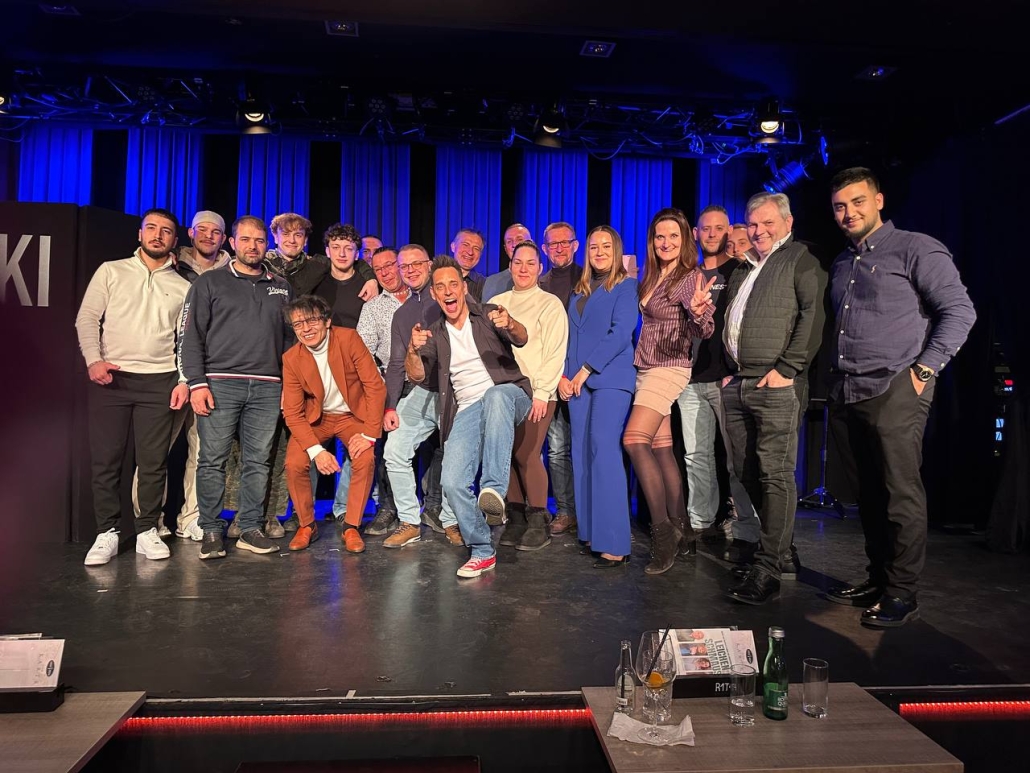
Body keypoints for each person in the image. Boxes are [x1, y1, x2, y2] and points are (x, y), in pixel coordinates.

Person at [825, 167, 975, 627]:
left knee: (899, 492)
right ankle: (878, 579)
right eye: (840, 206)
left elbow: (960, 311)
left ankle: (902, 592)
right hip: (849, 389)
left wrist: (924, 370)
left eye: (858, 202)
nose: (849, 212)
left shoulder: (915, 247)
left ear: (879, 200)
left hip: (896, 385)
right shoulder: (843, 262)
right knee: (868, 494)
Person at [722, 192, 826, 605]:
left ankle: (768, 568)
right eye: (753, 224)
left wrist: (788, 368)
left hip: (777, 384)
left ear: (788, 222)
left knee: (775, 474)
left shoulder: (800, 259)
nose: (759, 230)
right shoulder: (745, 267)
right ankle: (780, 550)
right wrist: (731, 370)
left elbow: (813, 315)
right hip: (741, 382)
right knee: (746, 472)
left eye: (768, 222)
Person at [76, 208, 191, 566]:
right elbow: (87, 318)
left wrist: (184, 380)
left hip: (160, 381)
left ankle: (146, 530)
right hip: (112, 380)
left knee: (153, 463)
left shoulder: (184, 286)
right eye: (151, 228)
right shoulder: (111, 271)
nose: (158, 235)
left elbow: (186, 340)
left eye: (166, 231)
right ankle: (107, 532)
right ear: (140, 234)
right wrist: (93, 360)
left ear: (174, 239)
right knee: (107, 460)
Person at [405, 256, 532, 578]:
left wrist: (510, 323)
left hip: (510, 395)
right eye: (440, 287)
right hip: (467, 409)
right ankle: (482, 550)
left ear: (463, 288)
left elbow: (521, 338)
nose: (448, 291)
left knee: (495, 395)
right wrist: (412, 350)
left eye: (453, 284)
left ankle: (493, 490)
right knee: (452, 482)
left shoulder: (488, 314)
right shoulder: (435, 333)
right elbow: (417, 376)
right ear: (434, 294)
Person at [179, 215, 294, 559]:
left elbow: (290, 343)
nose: (252, 246)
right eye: (245, 239)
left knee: (258, 462)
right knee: (212, 460)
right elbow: (191, 336)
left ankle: (249, 528)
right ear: (232, 243)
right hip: (219, 384)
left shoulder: (281, 286)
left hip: (268, 388)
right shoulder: (209, 282)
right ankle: (212, 530)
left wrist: (289, 386)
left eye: (259, 240)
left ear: (266, 244)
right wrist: (197, 383)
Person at [622, 208, 716, 575]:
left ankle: (663, 534)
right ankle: (683, 529)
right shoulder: (651, 276)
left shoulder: (690, 278)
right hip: (646, 367)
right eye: (660, 236)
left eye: (674, 236)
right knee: (662, 450)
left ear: (685, 239)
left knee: (634, 440)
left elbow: (703, 328)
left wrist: (699, 312)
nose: (666, 242)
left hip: (670, 367)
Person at [130, 209, 230, 541]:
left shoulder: (232, 271)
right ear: (190, 233)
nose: (208, 236)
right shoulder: (169, 265)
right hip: (168, 372)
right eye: (202, 230)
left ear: (224, 238)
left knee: (204, 452)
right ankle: (149, 521)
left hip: (212, 374)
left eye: (215, 232)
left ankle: (194, 518)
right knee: (155, 451)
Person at [675, 206, 760, 562]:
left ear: (728, 231)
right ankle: (701, 523)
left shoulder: (740, 271)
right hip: (690, 378)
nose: (712, 234)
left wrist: (736, 368)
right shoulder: (687, 275)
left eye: (719, 228)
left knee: (737, 459)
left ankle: (747, 530)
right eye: (706, 228)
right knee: (696, 456)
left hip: (728, 378)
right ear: (695, 233)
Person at [280, 295, 386, 553]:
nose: (306, 329)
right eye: (298, 324)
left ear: (327, 321)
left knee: (364, 458)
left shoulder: (348, 339)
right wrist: (317, 451)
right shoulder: (292, 358)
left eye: (312, 321)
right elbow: (292, 412)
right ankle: (307, 524)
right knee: (294, 462)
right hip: (318, 419)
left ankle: (351, 525)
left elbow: (374, 386)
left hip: (352, 416)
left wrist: (369, 434)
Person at [559, 226, 639, 567]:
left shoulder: (626, 286)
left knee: (603, 450)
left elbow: (620, 333)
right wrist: (563, 375)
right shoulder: (579, 290)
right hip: (577, 383)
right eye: (594, 246)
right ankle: (592, 532)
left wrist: (586, 369)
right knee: (581, 453)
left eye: (607, 246)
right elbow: (569, 337)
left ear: (616, 251)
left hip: (610, 378)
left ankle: (615, 541)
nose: (600, 251)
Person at [489, 240, 568, 551]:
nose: (523, 268)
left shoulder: (549, 304)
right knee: (505, 454)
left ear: (540, 267)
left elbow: (555, 353)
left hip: (537, 391)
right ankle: (517, 518)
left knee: (526, 453)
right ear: (510, 266)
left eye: (530, 263)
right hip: (503, 392)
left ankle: (538, 519)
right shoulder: (497, 302)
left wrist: (543, 393)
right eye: (518, 262)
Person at [382, 246, 463, 548]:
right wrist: (390, 406)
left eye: (417, 264)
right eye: (405, 266)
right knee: (394, 451)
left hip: (457, 391)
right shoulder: (402, 314)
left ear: (429, 265)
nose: (411, 270)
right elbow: (396, 363)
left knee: (455, 456)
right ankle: (409, 521)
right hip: (423, 391)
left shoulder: (449, 297)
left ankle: (452, 520)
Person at [349, 247, 407, 532]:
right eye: (378, 269)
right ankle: (388, 507)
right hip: (390, 384)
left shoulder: (427, 297)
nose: (385, 272)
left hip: (429, 382)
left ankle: (433, 506)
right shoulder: (373, 307)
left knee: (436, 449)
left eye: (390, 265)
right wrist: (379, 386)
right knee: (387, 449)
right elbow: (363, 352)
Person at [539, 221, 582, 536]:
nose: (559, 248)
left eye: (565, 242)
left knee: (586, 446)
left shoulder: (589, 278)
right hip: (553, 376)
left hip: (584, 374)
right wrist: (555, 376)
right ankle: (566, 511)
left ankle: (589, 509)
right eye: (553, 244)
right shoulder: (539, 284)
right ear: (545, 249)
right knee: (556, 448)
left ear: (575, 245)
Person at [482, 223, 532, 301]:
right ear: (505, 249)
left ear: (531, 244)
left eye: (519, 239)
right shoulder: (491, 282)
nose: (514, 245)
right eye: (509, 241)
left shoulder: (544, 282)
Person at [450, 228, 488, 301]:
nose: (470, 252)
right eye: (465, 245)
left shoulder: (485, 285)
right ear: (453, 246)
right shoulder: (436, 277)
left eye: (476, 248)